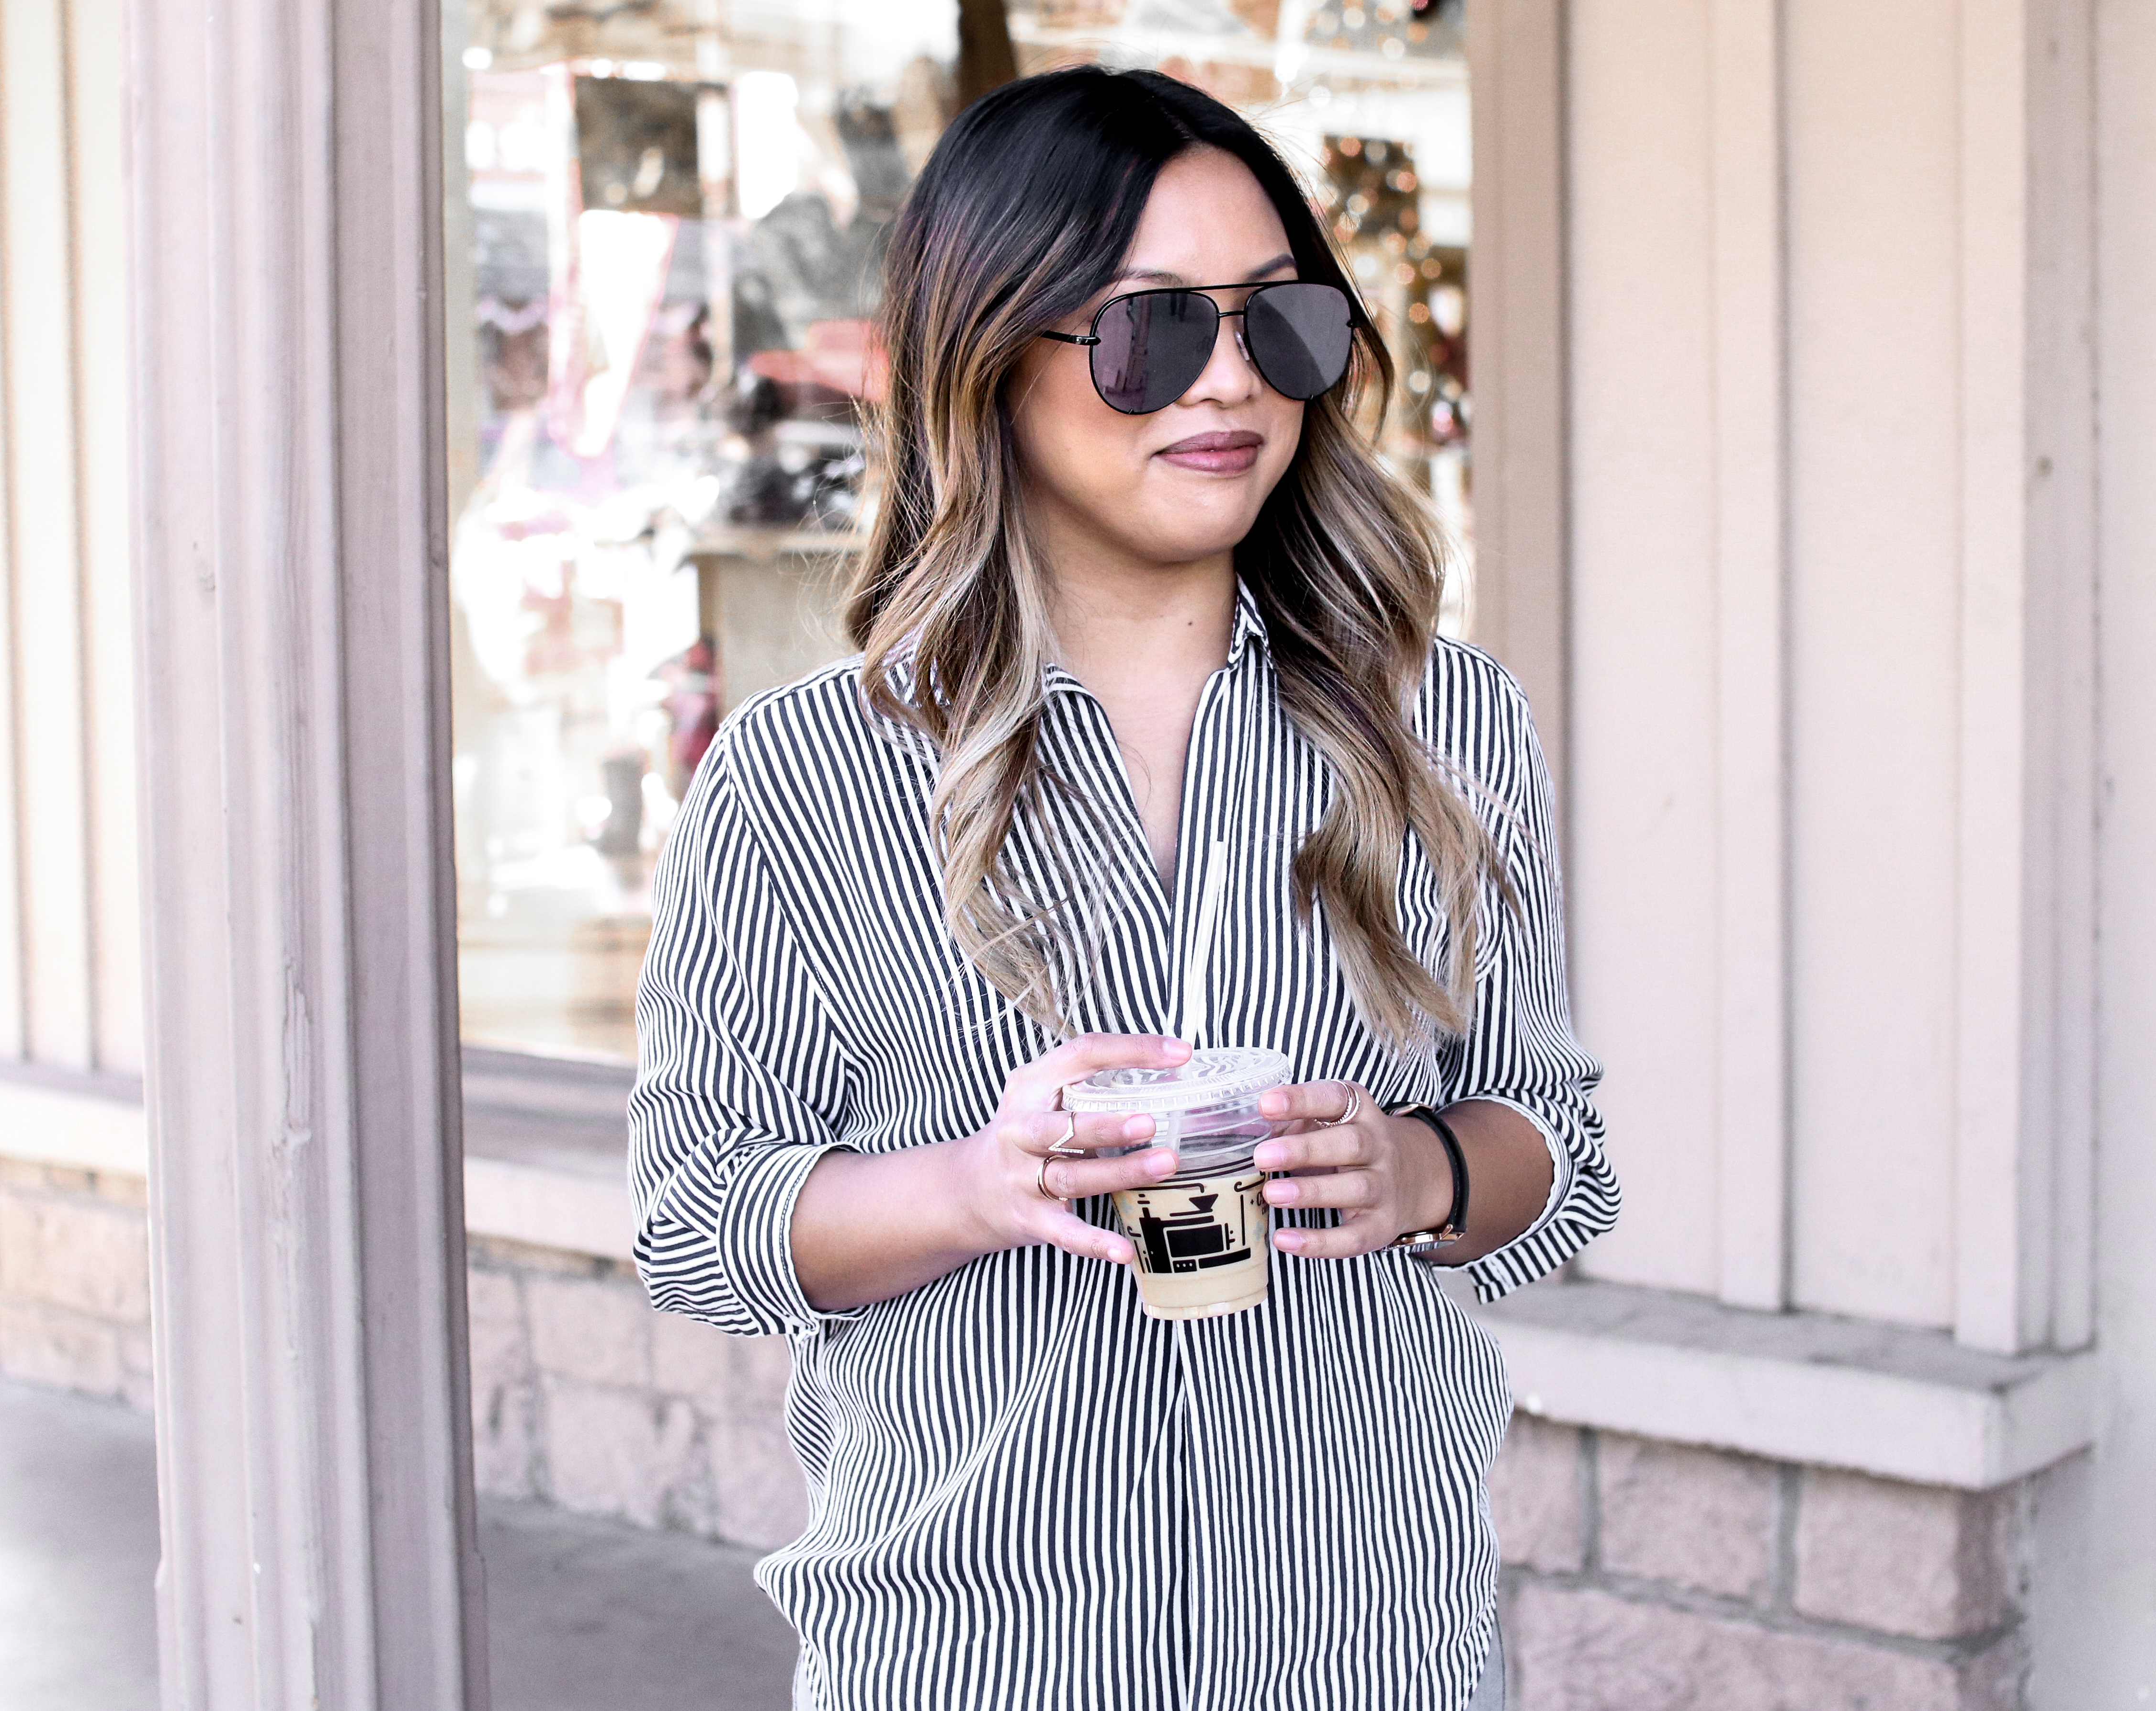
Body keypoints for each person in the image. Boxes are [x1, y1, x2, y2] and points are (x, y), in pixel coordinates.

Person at [629, 65, 1618, 1711]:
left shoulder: (1448, 725)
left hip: (1372, 1643)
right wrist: (976, 1187)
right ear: (988, 361)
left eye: (1278, 322)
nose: (1228, 380)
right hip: (972, 1654)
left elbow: (1552, 1153)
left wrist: (1413, 1172)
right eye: (1149, 329)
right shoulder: (807, 777)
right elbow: (695, 1227)